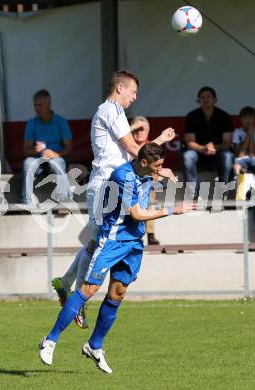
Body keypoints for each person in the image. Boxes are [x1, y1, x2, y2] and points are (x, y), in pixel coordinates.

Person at [39, 143, 194, 373]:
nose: (160, 168)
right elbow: (137, 214)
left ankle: (94, 346)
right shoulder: (123, 176)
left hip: (133, 242)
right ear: (143, 163)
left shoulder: (143, 172)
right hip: (112, 239)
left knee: (118, 293)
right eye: (157, 165)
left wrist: (160, 174)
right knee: (88, 289)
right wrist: (173, 209)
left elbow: (148, 181)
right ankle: (49, 340)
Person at [51, 70, 176, 328]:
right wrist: (158, 159)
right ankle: (74, 294)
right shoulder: (111, 110)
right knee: (98, 243)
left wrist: (158, 145)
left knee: (98, 241)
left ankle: (65, 284)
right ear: (120, 87)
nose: (135, 97)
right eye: (133, 91)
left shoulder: (114, 112)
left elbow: (133, 153)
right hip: (104, 185)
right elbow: (133, 149)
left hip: (116, 184)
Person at [182, 86, 234, 199]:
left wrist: (213, 147)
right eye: (202, 97)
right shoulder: (192, 116)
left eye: (208, 97)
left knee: (228, 156)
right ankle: (193, 196)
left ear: (215, 99)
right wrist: (203, 148)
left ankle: (222, 195)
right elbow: (189, 141)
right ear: (198, 100)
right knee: (187, 155)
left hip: (218, 154)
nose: (205, 99)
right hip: (198, 153)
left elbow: (227, 142)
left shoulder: (224, 116)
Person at [21, 89, 72, 204]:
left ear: (49, 104)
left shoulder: (61, 121)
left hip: (56, 157)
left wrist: (56, 154)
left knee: (58, 162)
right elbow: (26, 150)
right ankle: (27, 200)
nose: (37, 108)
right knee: (27, 162)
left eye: (40, 105)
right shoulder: (32, 123)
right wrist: (35, 149)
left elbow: (69, 147)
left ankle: (63, 199)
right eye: (35, 105)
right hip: (38, 158)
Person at [130, 116, 162, 245]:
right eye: (136, 129)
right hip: (127, 184)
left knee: (151, 194)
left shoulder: (153, 148)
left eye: (142, 129)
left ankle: (150, 234)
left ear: (148, 131)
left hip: (147, 185)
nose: (139, 132)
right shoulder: (124, 145)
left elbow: (158, 170)